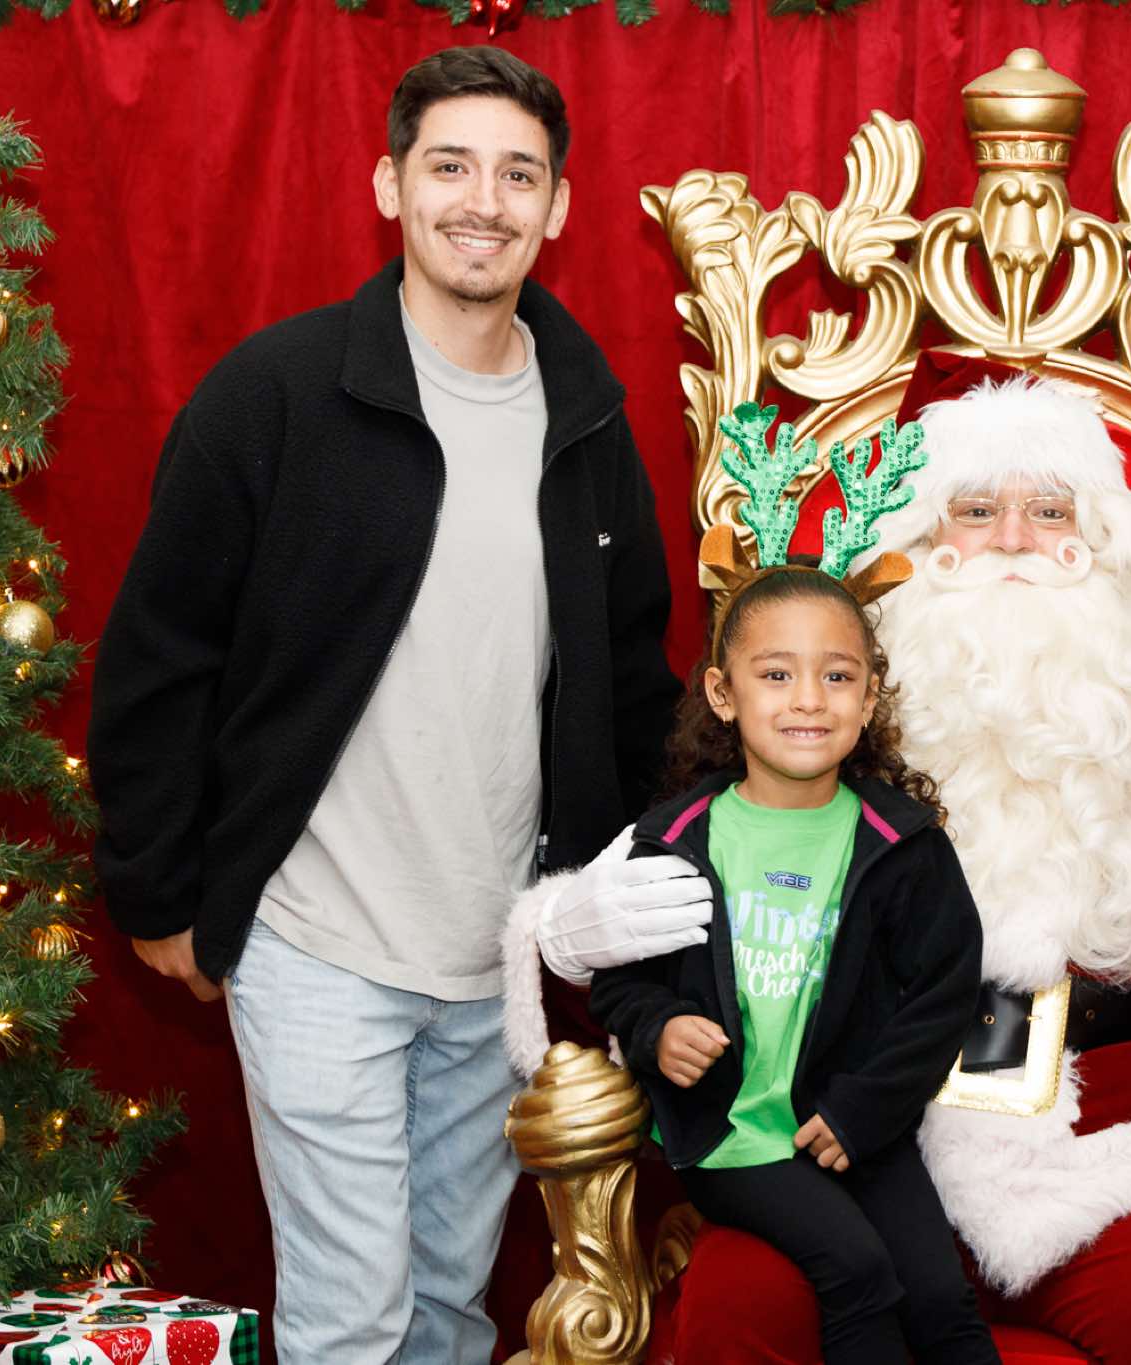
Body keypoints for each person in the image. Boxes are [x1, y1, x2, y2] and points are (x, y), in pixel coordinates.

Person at [504, 363, 1131, 1365]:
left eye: (1049, 511)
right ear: (918, 546)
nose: (1011, 540)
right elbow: (649, 966)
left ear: (1102, 546)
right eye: (973, 510)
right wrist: (571, 933)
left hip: (1119, 1150)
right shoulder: (814, 737)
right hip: (847, 1135)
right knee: (737, 1315)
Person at [87, 47, 706, 1363]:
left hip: (499, 964)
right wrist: (157, 891)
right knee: (350, 1324)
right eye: (450, 166)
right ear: (390, 184)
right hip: (314, 942)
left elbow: (630, 683)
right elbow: (159, 657)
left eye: (517, 175)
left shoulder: (588, 422)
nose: (483, 201)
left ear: (559, 206)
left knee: (445, 1315)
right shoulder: (275, 396)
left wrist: (630, 905)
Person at [590, 558, 999, 1365]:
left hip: (852, 1119)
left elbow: (944, 993)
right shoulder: (674, 841)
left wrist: (863, 1110)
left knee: (940, 1296)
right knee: (857, 1269)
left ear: (869, 697)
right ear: (723, 692)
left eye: (836, 675)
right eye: (776, 674)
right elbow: (620, 978)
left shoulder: (902, 842)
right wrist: (659, 1026)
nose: (808, 698)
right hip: (732, 1133)